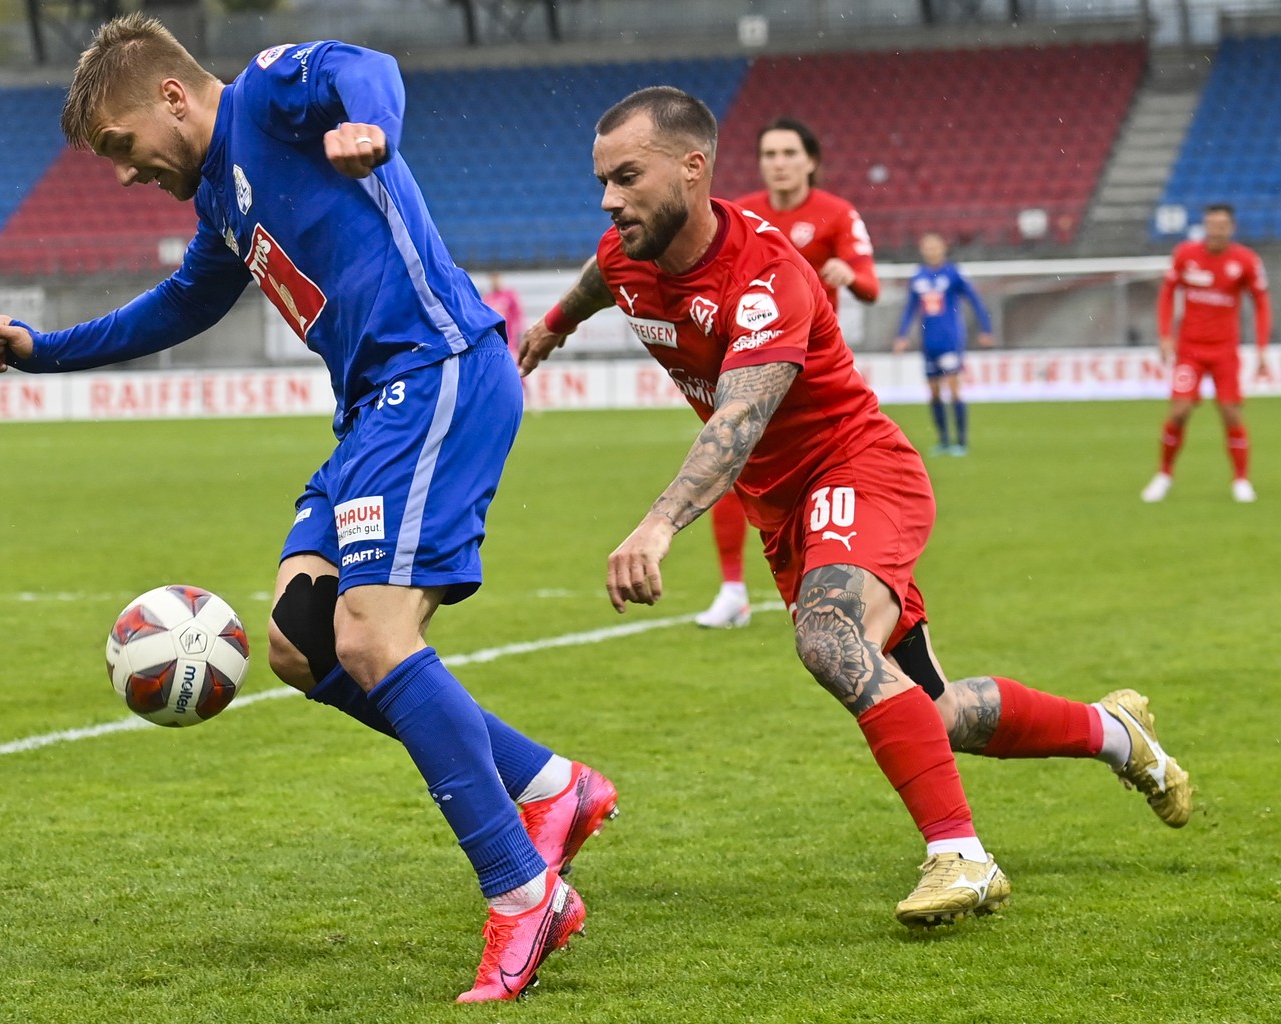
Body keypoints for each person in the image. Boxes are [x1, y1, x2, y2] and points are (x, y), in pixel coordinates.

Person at [0, 15, 614, 1002]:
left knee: (373, 635)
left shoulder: (269, 98)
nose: (125, 171)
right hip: (370, 415)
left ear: (173, 99)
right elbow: (181, 305)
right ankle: (547, 786)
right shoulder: (225, 200)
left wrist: (370, 126)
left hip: (435, 371)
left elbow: (368, 67)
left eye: (120, 146)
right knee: (302, 641)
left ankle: (524, 894)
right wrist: (43, 349)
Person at [521, 86, 1192, 928]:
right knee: (939, 713)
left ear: (693, 169)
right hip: (786, 513)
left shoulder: (763, 276)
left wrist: (657, 524)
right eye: (601, 182)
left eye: (626, 177)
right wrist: (553, 326)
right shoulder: (627, 250)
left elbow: (739, 420)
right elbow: (599, 275)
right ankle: (1118, 735)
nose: (609, 200)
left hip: (857, 470)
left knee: (828, 634)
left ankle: (963, 857)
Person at [694, 116, 879, 630]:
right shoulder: (741, 214)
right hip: (752, 367)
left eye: (789, 153)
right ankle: (732, 589)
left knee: (823, 482)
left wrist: (851, 276)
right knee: (727, 466)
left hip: (814, 380)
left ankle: (839, 581)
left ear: (811, 161)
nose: (778, 163)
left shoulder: (836, 214)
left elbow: (871, 285)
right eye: (769, 154)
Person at [1142, 203, 1272, 503]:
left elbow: (1262, 304)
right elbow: (1166, 294)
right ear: (1205, 226)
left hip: (1225, 351)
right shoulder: (1186, 255)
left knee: (1230, 414)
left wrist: (1262, 347)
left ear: (1232, 228)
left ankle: (1240, 480)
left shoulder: (1245, 261)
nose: (1216, 230)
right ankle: (1164, 474)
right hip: (1190, 350)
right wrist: (1165, 336)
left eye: (1222, 225)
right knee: (1179, 411)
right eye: (1212, 224)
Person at [893, 231, 994, 456]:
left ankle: (961, 442)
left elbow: (975, 300)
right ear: (922, 250)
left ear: (943, 248)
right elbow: (910, 308)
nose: (931, 251)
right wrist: (902, 335)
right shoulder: (918, 276)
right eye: (927, 247)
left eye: (935, 247)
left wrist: (986, 328)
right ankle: (944, 441)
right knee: (934, 392)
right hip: (929, 342)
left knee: (954, 389)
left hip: (951, 340)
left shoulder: (954, 273)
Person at [482, 273, 525, 360]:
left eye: (496, 278)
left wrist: (520, 332)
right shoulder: (487, 298)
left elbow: (518, 315)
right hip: (494, 339)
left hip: (510, 338)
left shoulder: (509, 295)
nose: (495, 282)